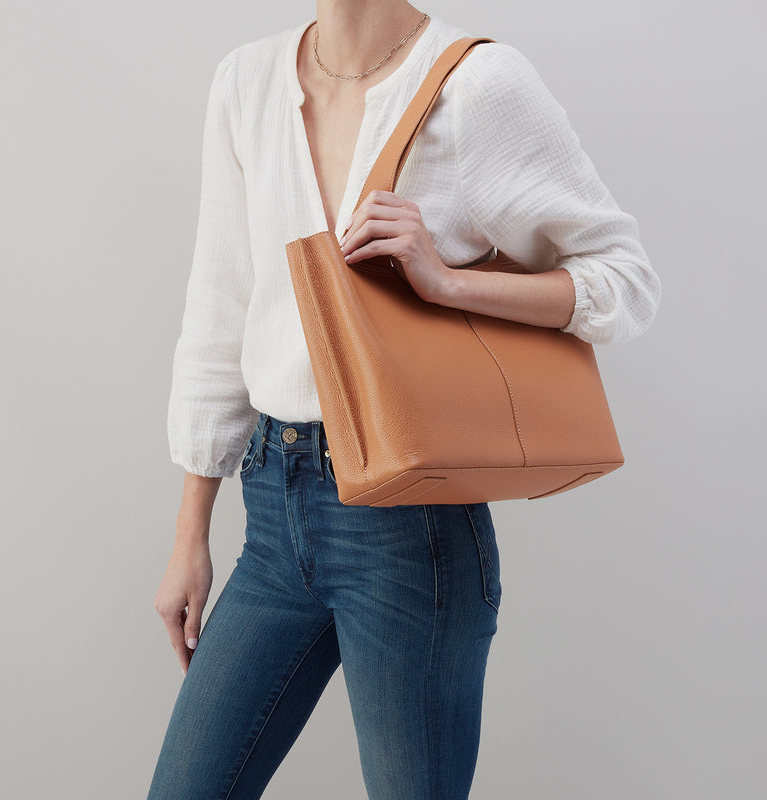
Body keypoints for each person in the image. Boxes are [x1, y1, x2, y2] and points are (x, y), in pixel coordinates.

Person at [146, 2, 661, 798]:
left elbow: (626, 282)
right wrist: (190, 534)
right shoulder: (246, 81)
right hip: (273, 515)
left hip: (410, 531)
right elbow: (220, 311)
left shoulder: (477, 83)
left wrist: (450, 282)